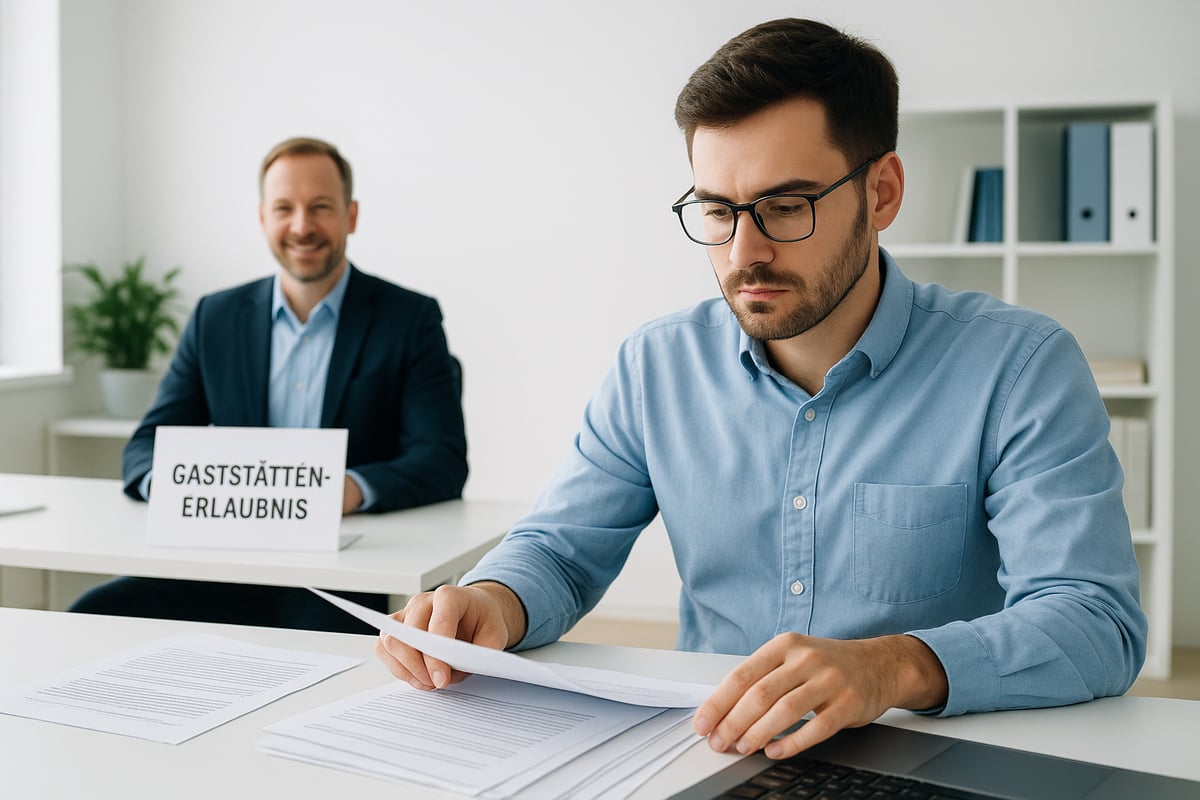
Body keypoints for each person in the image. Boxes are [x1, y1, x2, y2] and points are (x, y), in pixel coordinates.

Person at [375, 18, 1146, 759]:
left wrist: (891, 667)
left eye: (786, 207)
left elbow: (1095, 619)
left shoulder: (1019, 368)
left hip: (928, 752)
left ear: (881, 193)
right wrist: (493, 600)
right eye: (717, 211)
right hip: (705, 750)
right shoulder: (656, 367)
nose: (747, 252)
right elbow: (561, 552)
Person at [70, 136, 468, 633]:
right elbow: (145, 449)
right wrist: (180, 489)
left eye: (320, 207)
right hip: (219, 567)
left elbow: (442, 459)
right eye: (284, 208)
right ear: (263, 218)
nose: (302, 226)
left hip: (339, 578)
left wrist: (344, 490)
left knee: (313, 653)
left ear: (351, 215)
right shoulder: (214, 317)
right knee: (88, 619)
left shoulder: (409, 319)